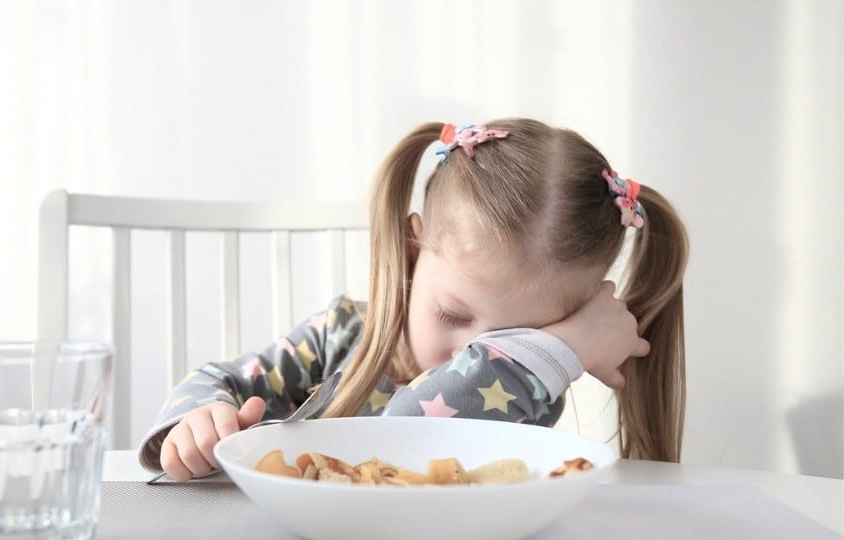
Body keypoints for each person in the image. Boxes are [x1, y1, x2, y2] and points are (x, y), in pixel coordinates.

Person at [138, 117, 689, 481]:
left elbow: (407, 434)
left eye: (519, 342)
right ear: (410, 251)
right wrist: (200, 420)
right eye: (452, 314)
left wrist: (555, 352)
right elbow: (217, 379)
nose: (469, 354)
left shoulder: (527, 384)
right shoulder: (340, 335)